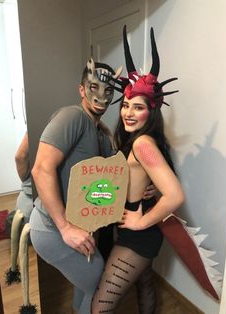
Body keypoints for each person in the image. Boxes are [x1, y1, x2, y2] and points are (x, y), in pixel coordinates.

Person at [29, 59, 155, 314]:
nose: (102, 96)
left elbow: (111, 178)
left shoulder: (101, 132)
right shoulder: (72, 116)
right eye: (93, 87)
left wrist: (144, 187)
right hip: (54, 229)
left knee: (87, 286)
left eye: (108, 91)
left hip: (82, 230)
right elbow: (41, 169)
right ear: (81, 89)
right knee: (99, 283)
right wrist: (65, 228)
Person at [91, 26, 185, 314]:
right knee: (144, 282)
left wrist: (140, 222)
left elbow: (175, 195)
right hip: (138, 227)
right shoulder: (143, 139)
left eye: (138, 107)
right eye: (126, 105)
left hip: (140, 233)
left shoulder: (143, 143)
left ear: (151, 110)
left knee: (100, 308)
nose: (128, 112)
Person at [5, 133, 33, 285]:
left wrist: (27, 183)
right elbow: (19, 156)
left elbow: (20, 157)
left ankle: (13, 272)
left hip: (25, 204)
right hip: (32, 209)